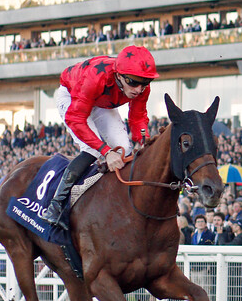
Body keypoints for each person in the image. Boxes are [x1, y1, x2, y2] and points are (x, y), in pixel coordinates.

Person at [40, 45, 159, 229]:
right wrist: (105, 151)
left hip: (102, 103)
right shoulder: (95, 78)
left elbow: (138, 117)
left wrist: (144, 141)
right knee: (91, 150)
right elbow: (76, 119)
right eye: (133, 82)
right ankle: (57, 204)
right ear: (119, 75)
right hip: (73, 97)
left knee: (124, 151)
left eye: (144, 83)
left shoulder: (141, 89)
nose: (138, 89)